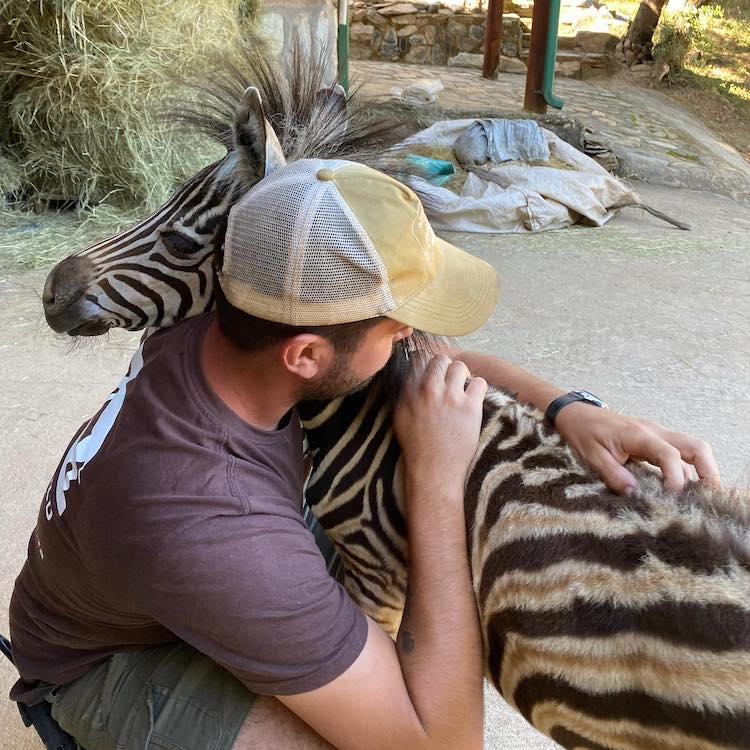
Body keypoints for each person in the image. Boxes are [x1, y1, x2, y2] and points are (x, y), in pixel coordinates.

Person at [9, 159, 719, 750]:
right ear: (307, 355)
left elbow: (434, 364)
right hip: (104, 662)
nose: (415, 340)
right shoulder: (215, 524)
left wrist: (570, 408)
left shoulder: (221, 321)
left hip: (164, 568)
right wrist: (436, 483)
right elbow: (439, 747)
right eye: (396, 327)